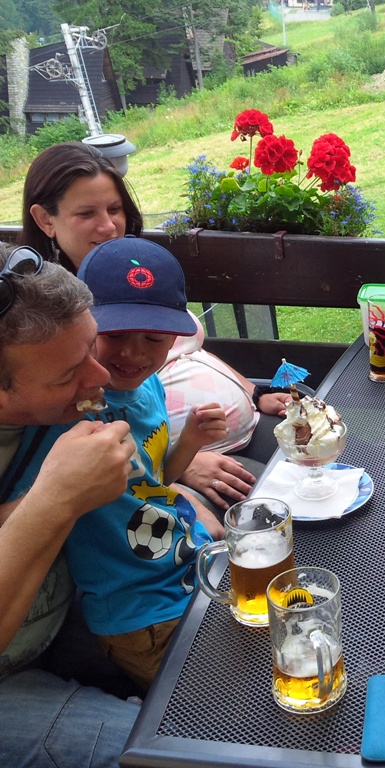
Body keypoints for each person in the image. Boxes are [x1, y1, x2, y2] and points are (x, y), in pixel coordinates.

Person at [20, 141, 291, 511]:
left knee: (312, 452)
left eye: (115, 209)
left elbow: (191, 349)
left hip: (197, 440)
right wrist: (179, 471)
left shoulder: (139, 275)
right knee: (282, 501)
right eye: (86, 213)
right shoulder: (49, 320)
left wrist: (254, 392)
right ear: (45, 219)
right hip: (178, 469)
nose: (108, 225)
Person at [9, 236, 226, 689]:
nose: (128, 357)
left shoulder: (148, 388)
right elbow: (31, 508)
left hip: (190, 564)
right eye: (113, 337)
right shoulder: (60, 426)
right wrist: (59, 495)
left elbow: (152, 478)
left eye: (154, 339)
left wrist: (189, 448)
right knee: (209, 697)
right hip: (138, 609)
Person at [0, 246, 140, 766]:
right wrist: (56, 500)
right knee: (161, 752)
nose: (100, 377)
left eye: (91, 346)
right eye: (67, 376)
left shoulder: (58, 401)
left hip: (64, 618)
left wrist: (182, 463)